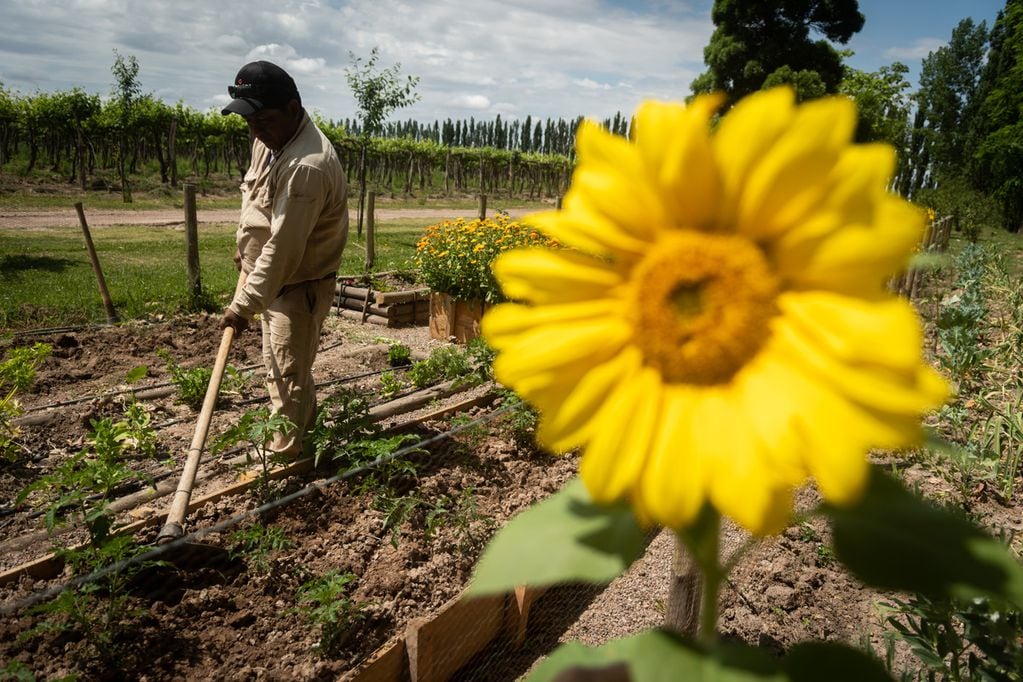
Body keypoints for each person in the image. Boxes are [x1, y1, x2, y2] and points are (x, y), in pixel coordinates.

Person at [220, 60, 349, 459]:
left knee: (288, 376)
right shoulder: (270, 137)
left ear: (293, 109)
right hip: (269, 282)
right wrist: (246, 245)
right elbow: (257, 197)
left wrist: (241, 308)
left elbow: (284, 250)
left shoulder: (306, 167)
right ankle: (299, 444)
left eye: (264, 121)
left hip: (296, 288)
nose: (255, 132)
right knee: (278, 369)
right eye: (249, 122)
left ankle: (285, 461)